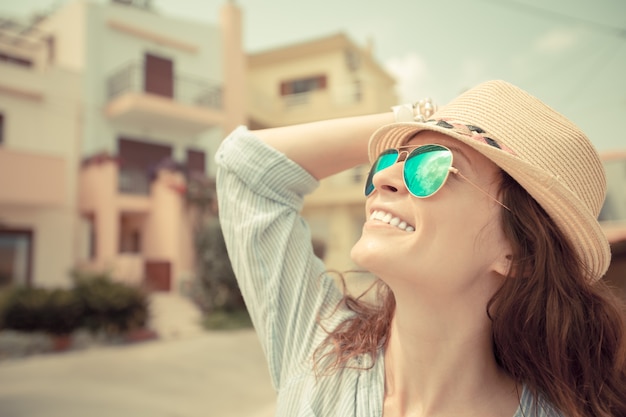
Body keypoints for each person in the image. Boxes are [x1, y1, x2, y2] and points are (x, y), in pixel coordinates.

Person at [215, 80, 626, 417]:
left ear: (521, 254)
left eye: (434, 166)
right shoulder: (320, 349)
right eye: (390, 159)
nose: (384, 176)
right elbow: (245, 167)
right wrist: (414, 117)